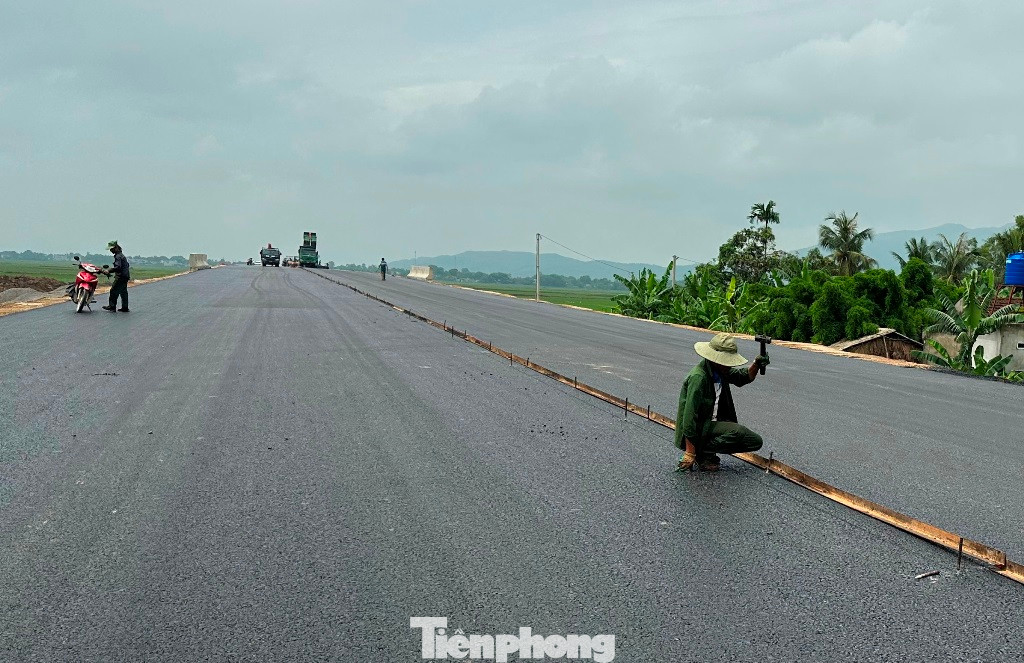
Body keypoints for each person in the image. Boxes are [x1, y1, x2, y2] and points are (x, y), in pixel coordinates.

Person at [674, 332, 769, 472]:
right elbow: (688, 419)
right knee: (738, 432)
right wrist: (689, 452)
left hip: (712, 423)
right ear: (715, 359)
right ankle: (701, 452)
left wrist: (756, 364)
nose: (729, 364)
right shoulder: (698, 378)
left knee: (754, 441)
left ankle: (705, 452)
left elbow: (742, 377)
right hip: (699, 427)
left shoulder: (720, 370)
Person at [101, 240, 130, 312]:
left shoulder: (118, 256)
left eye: (111, 249)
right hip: (125, 276)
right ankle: (125, 307)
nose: (110, 250)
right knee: (123, 292)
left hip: (121, 276)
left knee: (113, 291)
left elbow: (118, 267)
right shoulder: (121, 255)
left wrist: (109, 270)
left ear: (116, 248)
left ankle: (112, 306)